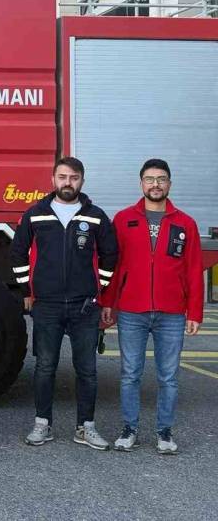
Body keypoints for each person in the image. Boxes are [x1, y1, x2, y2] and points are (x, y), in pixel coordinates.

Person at [11, 156, 118, 451]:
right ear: (53, 179)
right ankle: (42, 424)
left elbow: (111, 254)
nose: (67, 182)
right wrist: (26, 289)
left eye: (73, 177)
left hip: (85, 306)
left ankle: (86, 427)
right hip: (47, 305)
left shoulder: (96, 215)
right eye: (62, 176)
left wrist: (101, 288)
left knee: (87, 370)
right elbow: (18, 253)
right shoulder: (36, 214)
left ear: (82, 180)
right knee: (45, 367)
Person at [102, 158, 204, 455]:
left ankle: (164, 432)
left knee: (168, 376)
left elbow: (193, 269)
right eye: (150, 179)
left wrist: (194, 312)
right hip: (132, 310)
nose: (155, 184)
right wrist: (108, 302)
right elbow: (115, 266)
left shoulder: (185, 223)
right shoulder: (123, 219)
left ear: (169, 184)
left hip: (171, 313)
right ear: (141, 183)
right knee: (130, 373)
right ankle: (129, 428)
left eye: (161, 179)